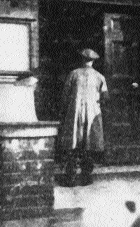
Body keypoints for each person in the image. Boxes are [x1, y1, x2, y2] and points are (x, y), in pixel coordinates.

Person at [58, 48, 109, 186]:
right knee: (89, 144)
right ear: (93, 61)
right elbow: (105, 97)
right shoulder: (100, 77)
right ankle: (86, 176)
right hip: (92, 112)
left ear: (81, 59)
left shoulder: (73, 74)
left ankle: (71, 176)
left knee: (74, 143)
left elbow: (65, 95)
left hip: (75, 111)